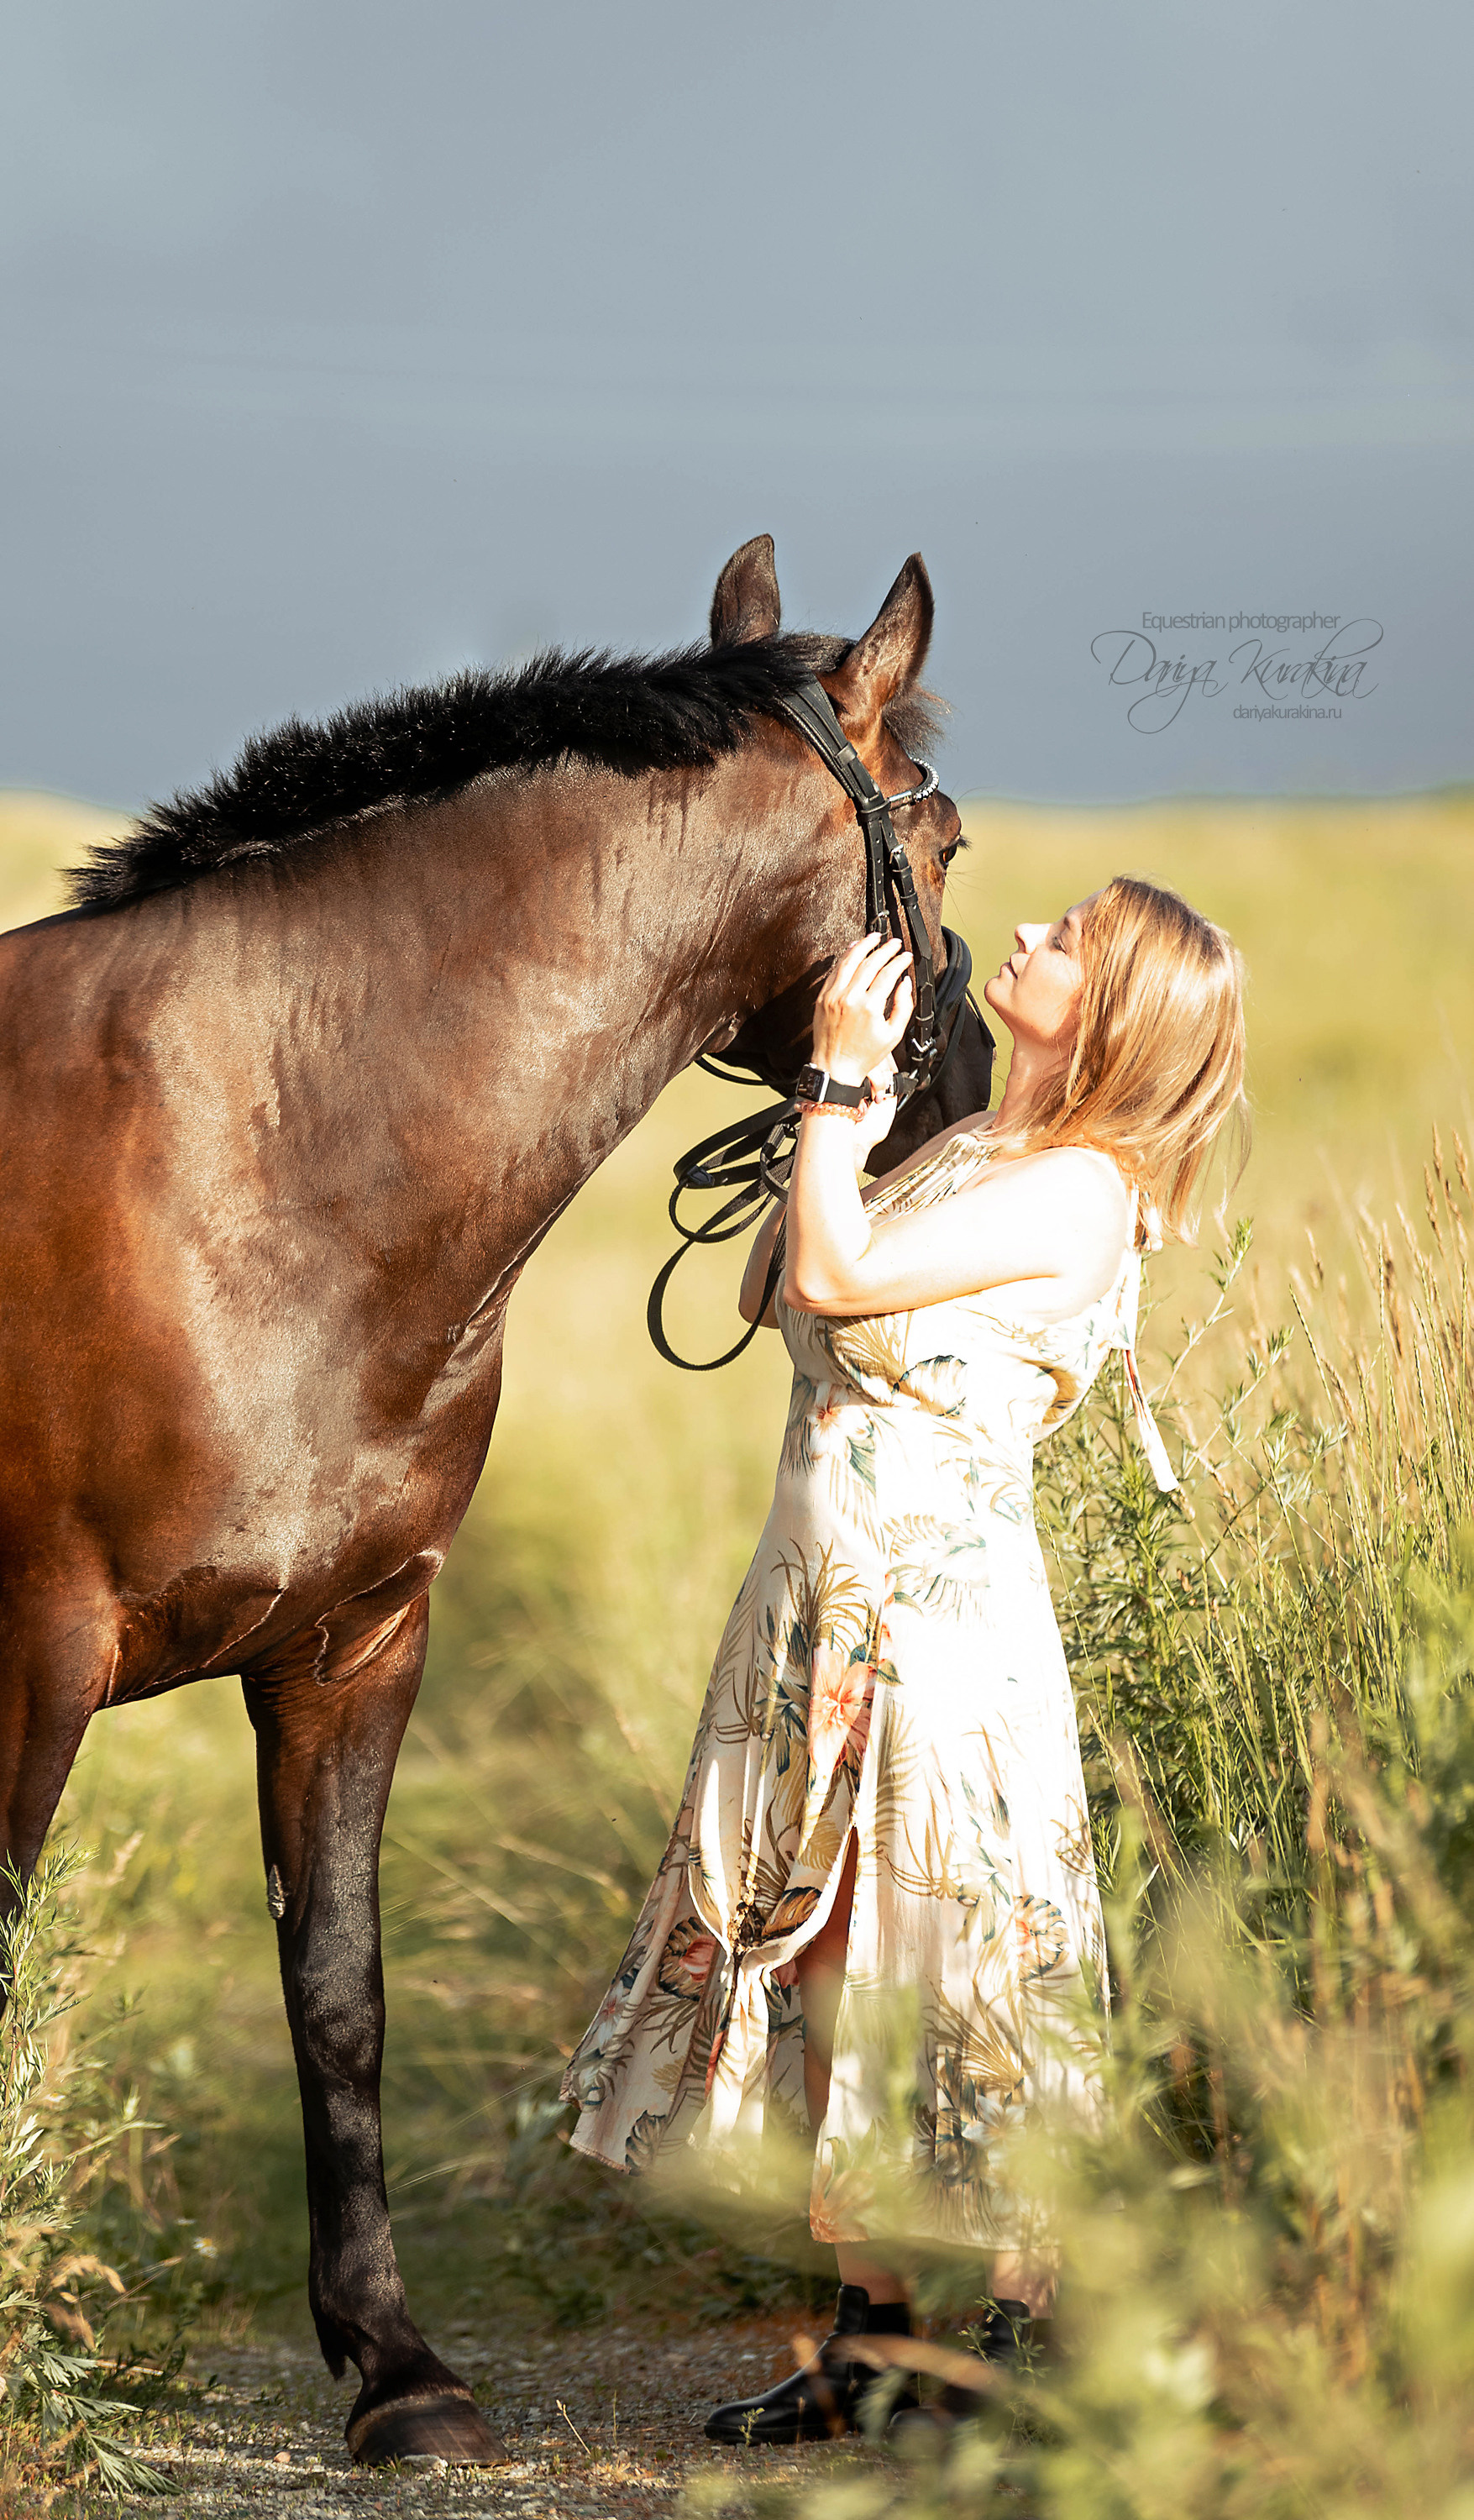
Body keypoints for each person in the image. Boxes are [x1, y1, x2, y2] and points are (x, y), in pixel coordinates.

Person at [561, 874, 1248, 2443]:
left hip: (939, 1630)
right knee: (815, 1958)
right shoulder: (977, 1148)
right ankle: (873, 2339)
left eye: (1067, 941)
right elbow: (762, 1288)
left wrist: (837, 1088)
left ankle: (1013, 2341)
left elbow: (835, 1281)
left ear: (1121, 1010)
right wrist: (848, 1096)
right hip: (812, 1608)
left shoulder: (1082, 1186)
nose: (1025, 938)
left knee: (952, 1956)